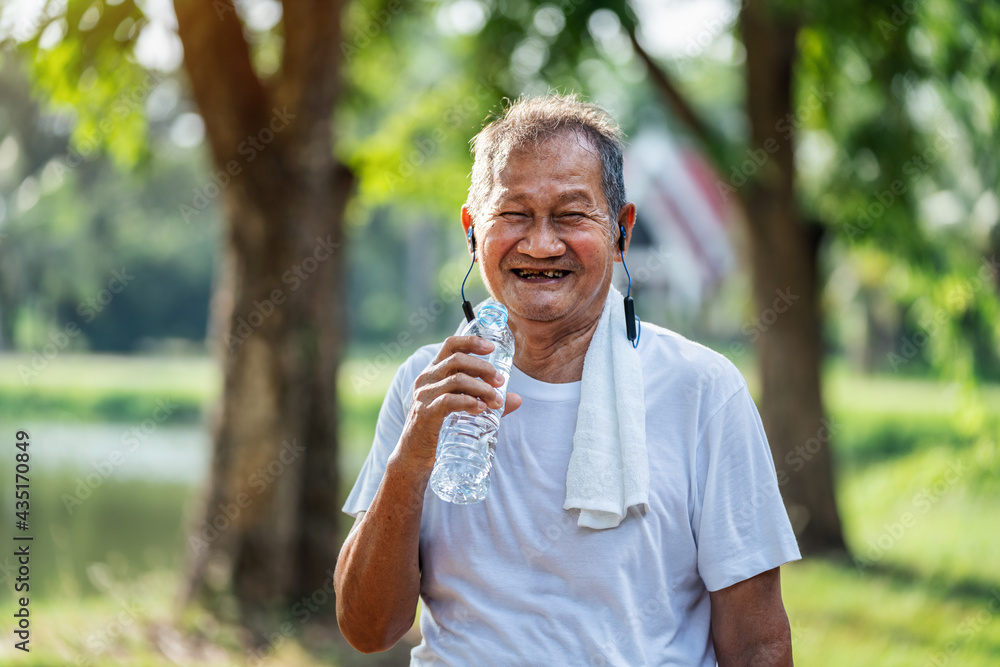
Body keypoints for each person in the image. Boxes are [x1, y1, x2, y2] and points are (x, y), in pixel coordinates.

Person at [335, 95, 801, 665]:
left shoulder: (702, 390)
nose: (540, 244)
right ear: (471, 230)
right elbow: (368, 629)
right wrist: (410, 458)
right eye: (514, 214)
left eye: (572, 214)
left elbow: (757, 645)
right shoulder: (427, 383)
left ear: (621, 230)